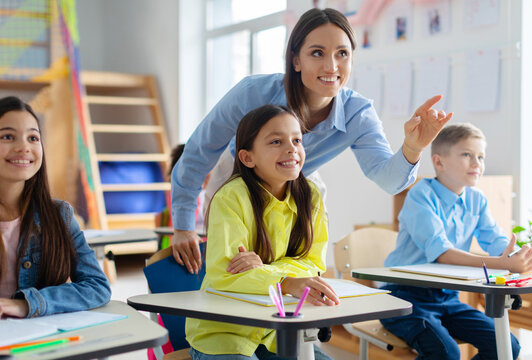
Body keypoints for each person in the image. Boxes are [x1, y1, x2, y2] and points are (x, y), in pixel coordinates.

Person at [170, 7, 453, 274]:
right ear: (296, 60)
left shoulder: (358, 113)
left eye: (342, 53)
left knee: (301, 248)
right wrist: (183, 226)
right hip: (238, 173)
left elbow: (389, 180)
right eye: (317, 53)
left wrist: (413, 147)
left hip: (298, 177)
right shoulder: (252, 93)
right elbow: (199, 151)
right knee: (234, 267)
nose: (331, 66)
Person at [185, 104, 339, 359]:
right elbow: (227, 276)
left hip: (277, 331)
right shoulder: (230, 198)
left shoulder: (310, 196)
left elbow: (313, 265)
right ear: (247, 157)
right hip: (224, 333)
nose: (291, 149)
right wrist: (287, 281)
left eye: (297, 140)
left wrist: (263, 271)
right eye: (276, 141)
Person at [381, 123, 532, 359]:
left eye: (481, 157)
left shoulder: (477, 199)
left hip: (447, 298)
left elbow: (496, 240)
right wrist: (505, 264)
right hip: (403, 297)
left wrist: (518, 256)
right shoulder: (421, 195)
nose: (477, 163)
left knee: (507, 346)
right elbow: (443, 253)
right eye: (467, 155)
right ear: (439, 162)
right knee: (445, 352)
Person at [0, 96, 111, 319]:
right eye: (8, 136)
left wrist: (27, 304)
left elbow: (97, 286)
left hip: (37, 339)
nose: (23, 147)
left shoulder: (59, 215)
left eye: (33, 138)